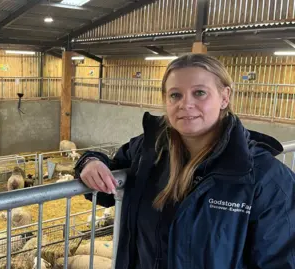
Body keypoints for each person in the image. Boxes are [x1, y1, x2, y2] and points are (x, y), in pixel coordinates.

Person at [74, 54, 295, 269]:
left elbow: (279, 260)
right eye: (175, 95)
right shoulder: (148, 151)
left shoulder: (264, 177)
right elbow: (106, 188)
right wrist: (90, 162)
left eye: (199, 93)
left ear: (225, 97)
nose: (185, 104)